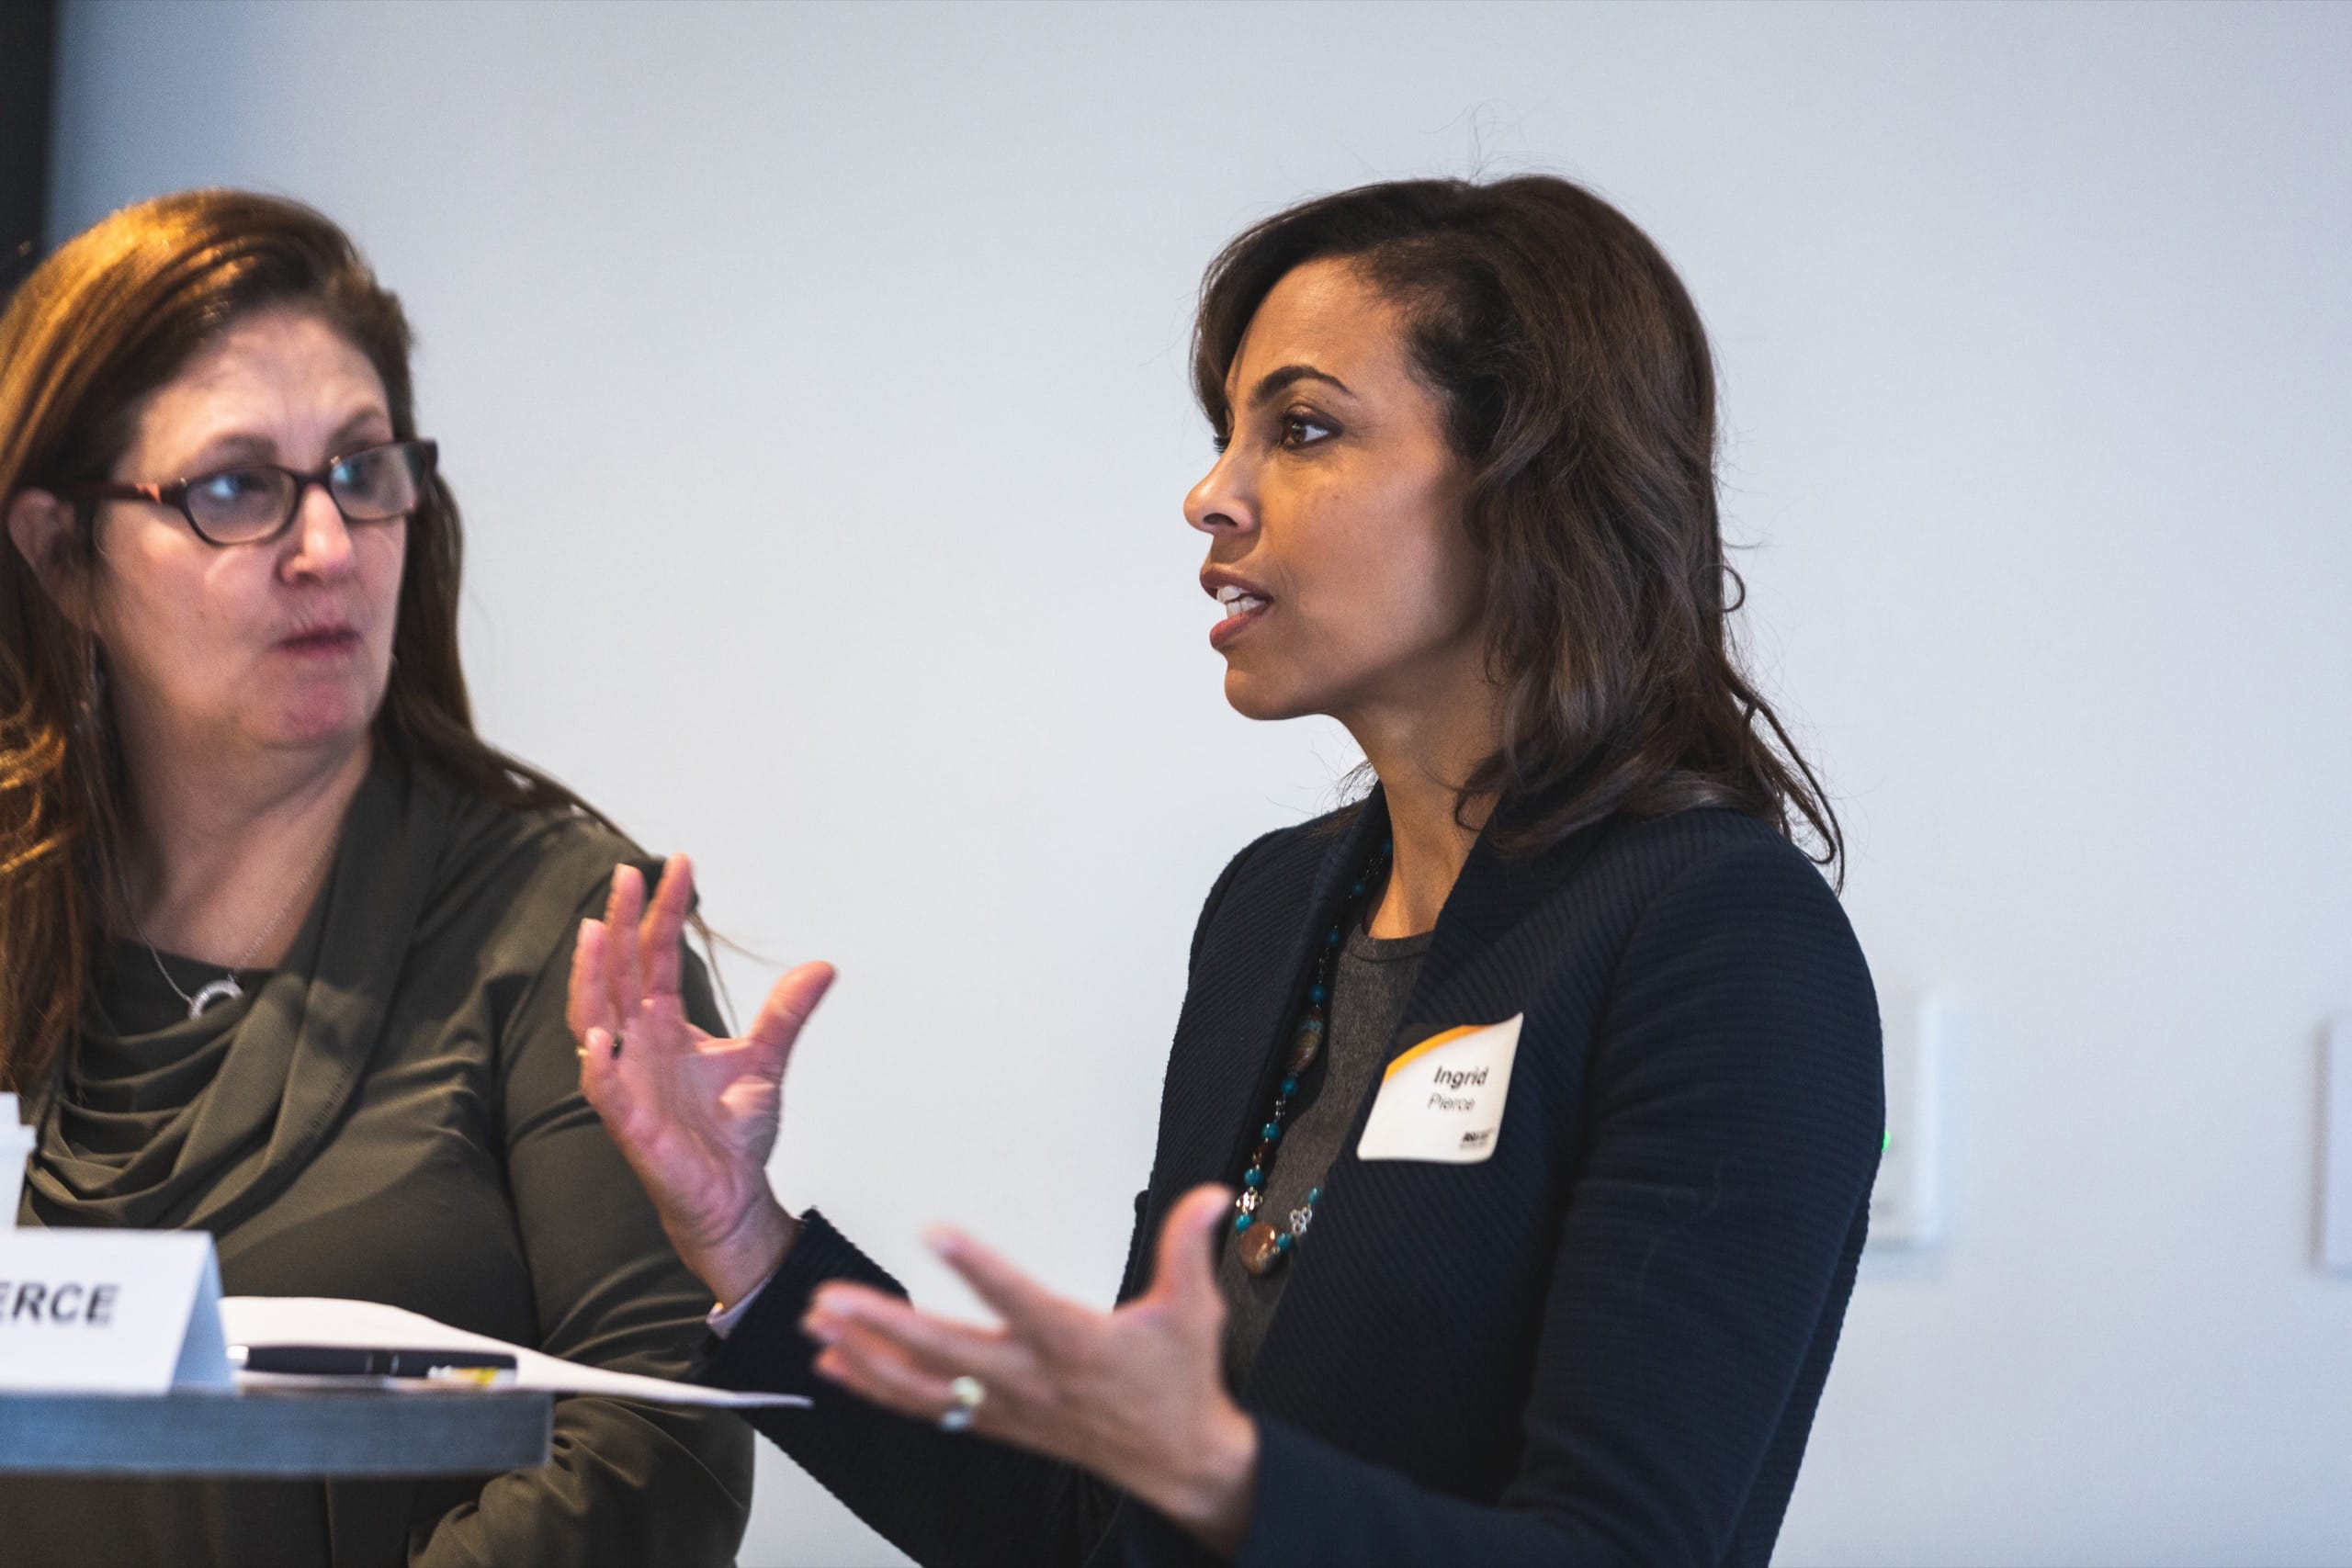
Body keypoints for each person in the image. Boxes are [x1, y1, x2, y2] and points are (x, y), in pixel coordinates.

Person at [572, 175, 1883, 1566]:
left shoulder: (1718, 941)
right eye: (1228, 435)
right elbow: (1100, 1533)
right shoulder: (1275, 912)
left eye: (1304, 429)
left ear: (1525, 487)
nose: (1212, 496)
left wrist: (1216, 1473)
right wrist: (745, 1239)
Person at [0, 190, 751, 1567]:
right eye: (235, 486)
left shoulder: (564, 926)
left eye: (361, 470)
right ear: (64, 554)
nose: (331, 547)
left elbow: (656, 1454)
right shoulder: (22, 903)